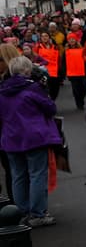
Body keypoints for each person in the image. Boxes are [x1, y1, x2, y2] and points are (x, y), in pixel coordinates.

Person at [0, 56, 61, 226]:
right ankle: (38, 214)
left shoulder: (2, 91)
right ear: (27, 70)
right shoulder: (33, 88)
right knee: (37, 174)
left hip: (11, 138)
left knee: (18, 176)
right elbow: (50, 108)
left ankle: (22, 212)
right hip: (35, 136)